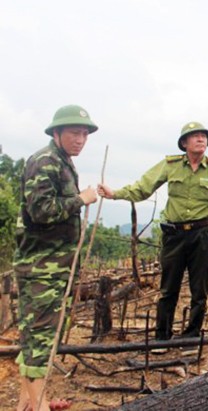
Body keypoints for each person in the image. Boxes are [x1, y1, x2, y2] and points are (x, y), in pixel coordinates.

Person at [98, 122, 208, 342]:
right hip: (174, 235)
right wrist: (114, 193)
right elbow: (142, 188)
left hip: (203, 235)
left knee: (199, 292)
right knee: (168, 290)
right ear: (184, 143)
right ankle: (162, 338)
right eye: (195, 136)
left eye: (204, 136)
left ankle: (191, 338)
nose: (201, 139)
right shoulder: (170, 165)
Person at [14, 105, 99, 411]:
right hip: (41, 270)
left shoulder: (62, 161)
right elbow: (41, 210)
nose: (81, 139)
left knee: (35, 336)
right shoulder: (46, 161)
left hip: (51, 267)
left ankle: (29, 402)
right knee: (40, 340)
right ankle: (37, 406)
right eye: (75, 132)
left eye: (85, 133)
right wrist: (81, 200)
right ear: (56, 132)